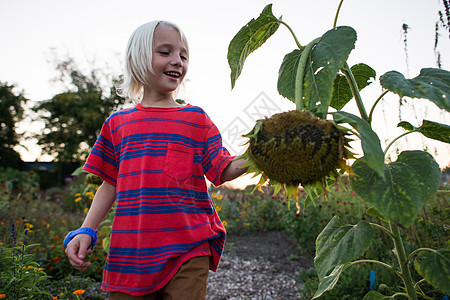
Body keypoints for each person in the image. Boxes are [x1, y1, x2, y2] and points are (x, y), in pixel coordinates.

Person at [64, 20, 248, 299]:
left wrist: (264, 153)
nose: (178, 61)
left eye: (183, 56)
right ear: (136, 59)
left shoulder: (196, 119)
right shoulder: (117, 124)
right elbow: (109, 184)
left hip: (188, 248)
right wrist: (87, 229)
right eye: (165, 52)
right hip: (131, 255)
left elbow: (223, 168)